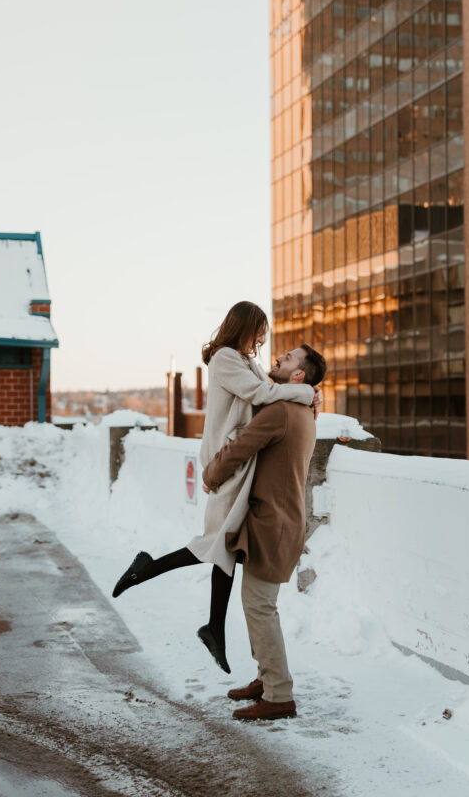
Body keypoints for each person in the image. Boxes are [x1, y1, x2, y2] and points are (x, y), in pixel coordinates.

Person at [111, 301, 320, 674]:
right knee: (218, 542)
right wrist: (305, 393)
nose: (262, 338)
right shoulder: (225, 358)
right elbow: (263, 397)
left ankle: (214, 629)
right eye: (259, 330)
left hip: (241, 466)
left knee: (224, 545)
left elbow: (269, 392)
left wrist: (306, 393)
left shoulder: (246, 362)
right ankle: (148, 571)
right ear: (244, 326)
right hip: (226, 461)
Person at [202, 342, 326, 721]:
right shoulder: (302, 410)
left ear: (298, 375)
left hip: (273, 523)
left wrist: (210, 475)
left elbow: (241, 447)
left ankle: (278, 695)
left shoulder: (282, 412)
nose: (278, 358)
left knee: (260, 607)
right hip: (279, 520)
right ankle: (266, 678)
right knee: (256, 604)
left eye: (287, 358)